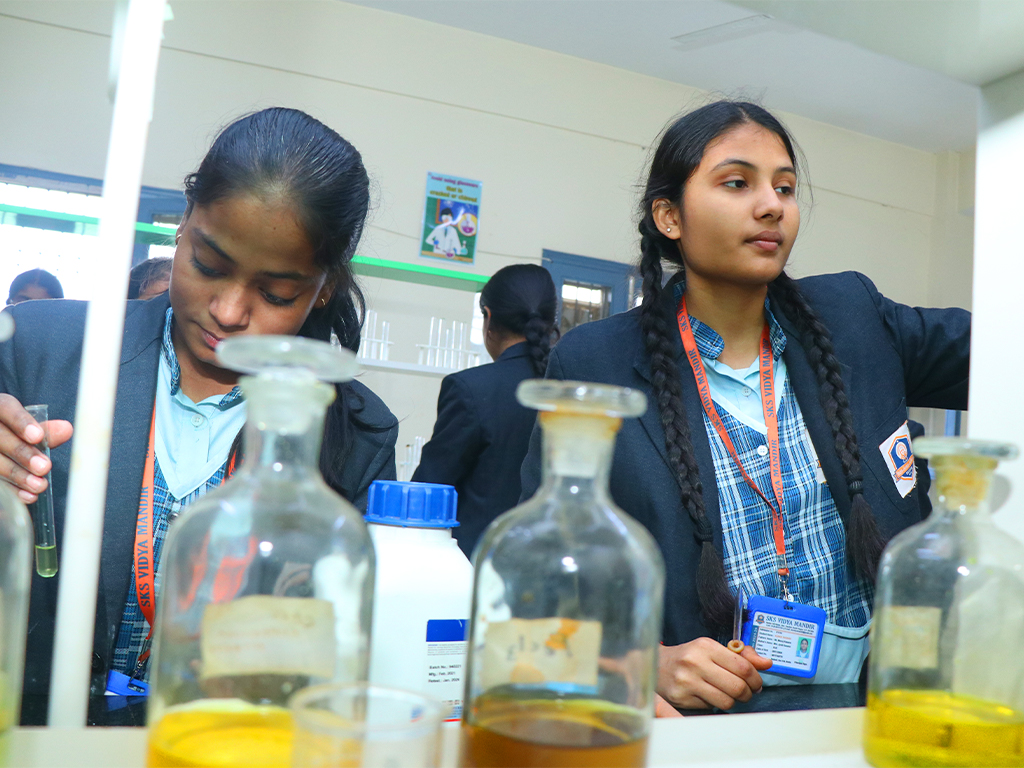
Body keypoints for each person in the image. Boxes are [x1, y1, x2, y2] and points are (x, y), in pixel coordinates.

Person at [520, 100, 969, 712]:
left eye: (785, 187)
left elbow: (998, 353)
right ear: (669, 216)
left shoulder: (853, 316)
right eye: (737, 183)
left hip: (881, 707)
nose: (771, 205)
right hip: (708, 721)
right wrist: (637, 664)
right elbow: (538, 575)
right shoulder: (596, 361)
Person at [0, 107, 399, 720]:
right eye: (209, 266)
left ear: (323, 287)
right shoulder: (36, 351)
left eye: (276, 293)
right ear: (185, 221)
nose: (230, 312)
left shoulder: (356, 438)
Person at [413, 264, 558, 556]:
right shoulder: (568, 389)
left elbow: (428, 491)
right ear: (551, 319)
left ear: (488, 317)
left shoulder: (470, 388)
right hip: (546, 564)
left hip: (475, 564)